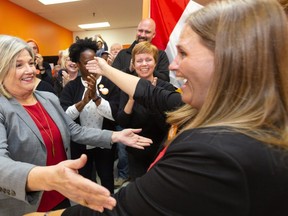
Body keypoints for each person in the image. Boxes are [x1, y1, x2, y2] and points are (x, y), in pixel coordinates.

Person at [60, 0, 288, 215]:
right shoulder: (242, 120)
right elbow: (151, 93)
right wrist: (106, 68)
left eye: (184, 53)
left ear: (228, 60)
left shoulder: (213, 152)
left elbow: (121, 210)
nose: (173, 65)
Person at [0, 35, 152, 216]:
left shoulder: (48, 98)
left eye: (31, 63)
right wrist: (50, 178)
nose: (30, 70)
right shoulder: (3, 108)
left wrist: (115, 136)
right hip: (27, 205)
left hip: (65, 195)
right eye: (19, 65)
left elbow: (72, 130)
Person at [60, 38, 119, 194]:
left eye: (94, 61)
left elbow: (115, 116)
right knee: (85, 180)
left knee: (106, 177)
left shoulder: (110, 83)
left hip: (104, 142)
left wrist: (96, 98)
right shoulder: (72, 87)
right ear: (78, 65)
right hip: (80, 145)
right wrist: (84, 101)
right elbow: (64, 118)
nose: (91, 66)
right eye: (86, 62)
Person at [116, 41, 177, 181]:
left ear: (155, 63)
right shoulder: (127, 86)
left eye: (148, 59)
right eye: (139, 61)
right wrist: (131, 99)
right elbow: (122, 121)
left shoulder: (166, 88)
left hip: (161, 151)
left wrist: (152, 99)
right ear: (133, 64)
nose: (144, 64)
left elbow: (167, 124)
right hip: (135, 150)